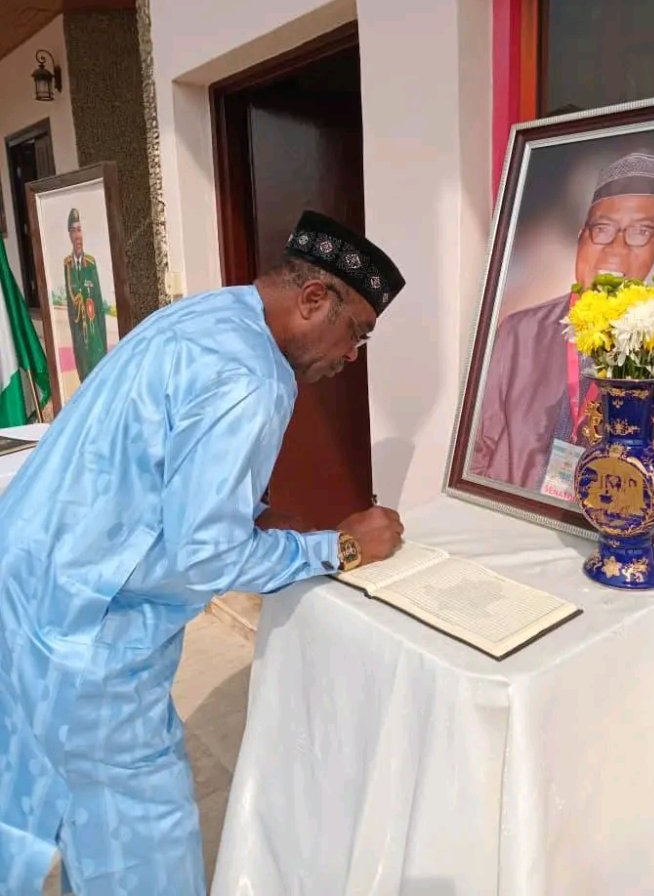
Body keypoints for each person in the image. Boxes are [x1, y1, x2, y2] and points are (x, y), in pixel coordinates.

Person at [0, 210, 406, 895]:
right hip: (90, 642)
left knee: (51, 810)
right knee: (143, 854)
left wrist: (248, 511)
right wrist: (342, 547)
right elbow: (204, 558)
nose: (351, 356)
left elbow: (157, 457)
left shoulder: (208, 315)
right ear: (313, 302)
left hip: (25, 599)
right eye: (356, 333)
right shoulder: (254, 377)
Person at [472, 151, 654, 492]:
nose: (617, 247)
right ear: (582, 234)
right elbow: (478, 452)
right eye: (603, 229)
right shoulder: (519, 331)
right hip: (514, 515)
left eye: (640, 231)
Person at [64, 208, 107, 382]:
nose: (78, 236)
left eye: (79, 230)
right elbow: (70, 307)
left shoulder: (90, 263)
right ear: (69, 235)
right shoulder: (68, 266)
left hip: (95, 336)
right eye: (74, 231)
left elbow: (98, 305)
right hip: (81, 340)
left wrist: (103, 343)